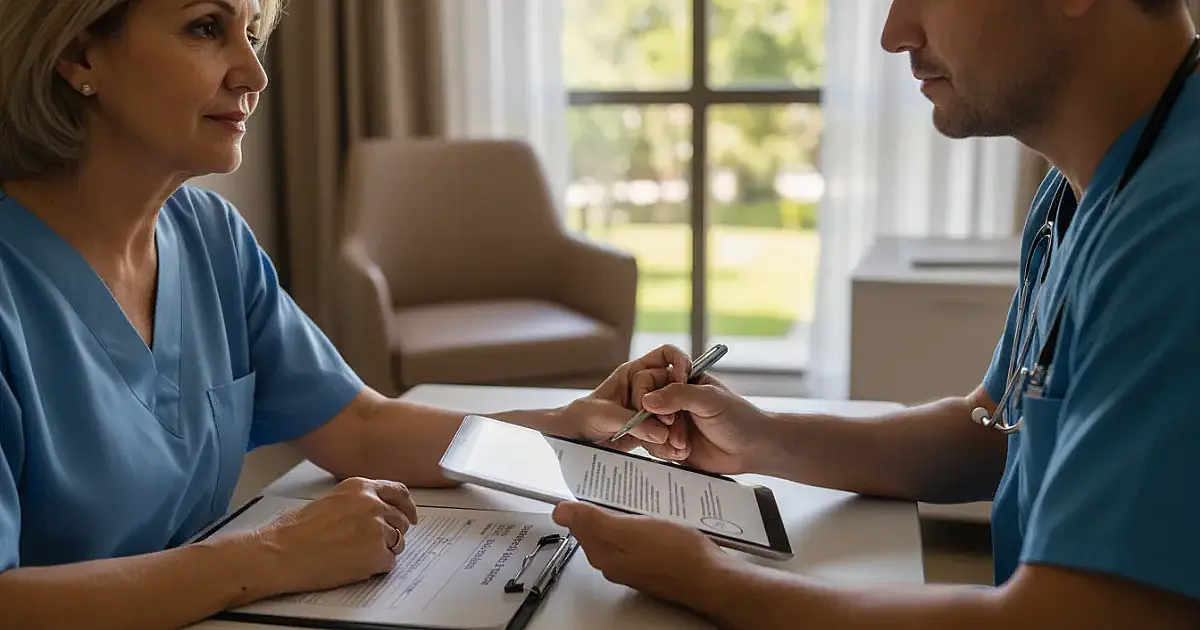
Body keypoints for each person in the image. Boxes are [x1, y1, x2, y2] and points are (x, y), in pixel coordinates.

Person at [0, 1, 686, 628]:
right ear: (80, 54)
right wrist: (273, 553)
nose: (254, 74)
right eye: (206, 28)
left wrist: (563, 428)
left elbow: (358, 426)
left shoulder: (211, 238)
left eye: (252, 34)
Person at [552, 0, 1200, 628]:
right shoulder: (1078, 191)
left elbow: (1066, 618)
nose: (895, 33)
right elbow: (995, 432)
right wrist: (761, 439)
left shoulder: (1178, 233)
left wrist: (709, 579)